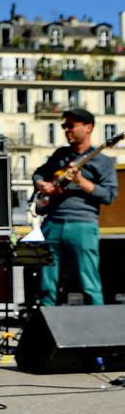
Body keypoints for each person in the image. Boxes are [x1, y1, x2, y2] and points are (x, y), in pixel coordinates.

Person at [32, 107, 118, 306]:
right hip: (52, 222)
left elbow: (109, 196)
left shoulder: (103, 162)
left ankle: (98, 328)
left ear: (88, 128)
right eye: (64, 126)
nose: (66, 130)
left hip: (83, 223)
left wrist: (81, 182)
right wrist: (41, 184)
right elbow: (38, 173)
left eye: (71, 126)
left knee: (89, 282)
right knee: (47, 282)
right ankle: (47, 328)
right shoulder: (60, 155)